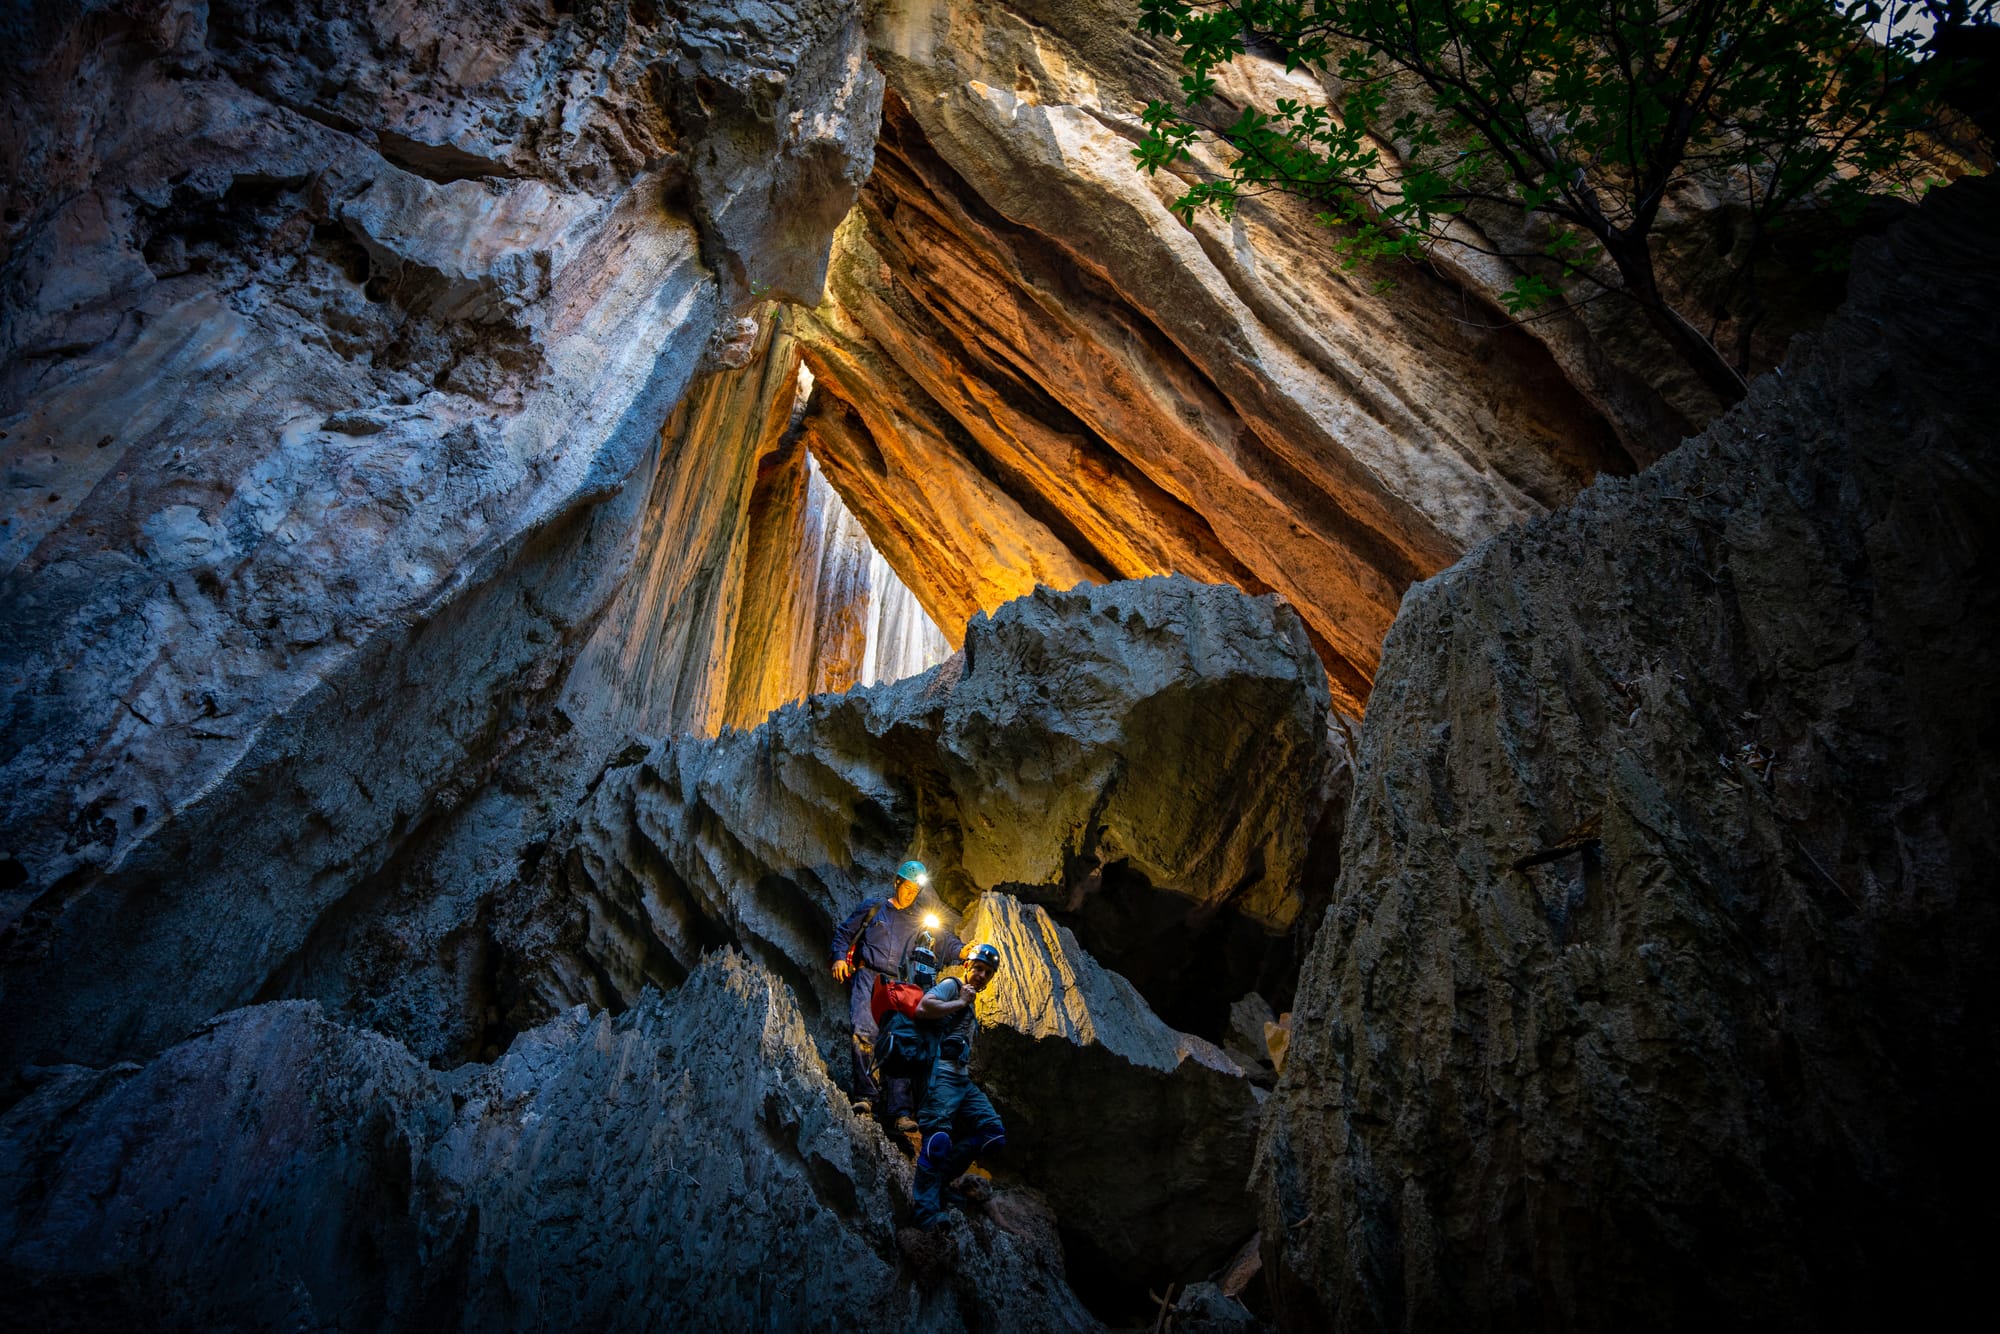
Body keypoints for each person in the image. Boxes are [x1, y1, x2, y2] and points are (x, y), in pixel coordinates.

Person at [829, 859, 968, 1132]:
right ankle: (866, 1097)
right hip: (868, 976)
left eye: (916, 890)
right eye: (908, 887)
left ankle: (901, 1112)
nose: (911, 893)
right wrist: (838, 958)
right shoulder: (874, 908)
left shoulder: (920, 919)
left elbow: (944, 940)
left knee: (901, 1040)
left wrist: (963, 951)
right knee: (863, 1031)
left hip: (900, 984)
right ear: (897, 883)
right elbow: (844, 933)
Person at [910, 942, 1006, 1229]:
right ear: (967, 966)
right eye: (978, 968)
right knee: (937, 1142)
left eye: (987, 972)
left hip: (962, 1080)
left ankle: (940, 1183)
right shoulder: (953, 986)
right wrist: (961, 1002)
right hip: (940, 1075)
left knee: (992, 1133)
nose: (981, 975)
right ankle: (925, 1214)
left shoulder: (970, 999)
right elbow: (923, 1007)